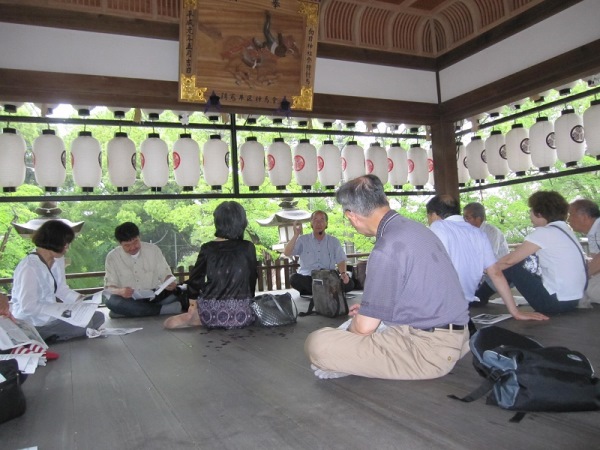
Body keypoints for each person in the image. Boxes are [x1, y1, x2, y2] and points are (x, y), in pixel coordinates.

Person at [305, 175, 470, 380]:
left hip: (428, 350)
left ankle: (348, 360)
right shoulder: (414, 228)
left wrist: (351, 331)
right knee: (362, 321)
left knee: (318, 343)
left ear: (351, 216)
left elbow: (364, 329)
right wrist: (370, 311)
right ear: (385, 201)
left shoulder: (387, 247)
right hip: (456, 336)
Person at [426, 195, 547, 323]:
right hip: (462, 306)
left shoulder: (438, 226)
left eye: (428, 217)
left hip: (439, 307)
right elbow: (495, 273)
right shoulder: (478, 233)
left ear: (434, 215)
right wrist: (515, 311)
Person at [476, 191, 587, 314]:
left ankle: (479, 296)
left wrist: (486, 269)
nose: (529, 215)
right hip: (574, 300)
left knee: (513, 266)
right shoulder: (565, 230)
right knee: (517, 263)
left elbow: (509, 261)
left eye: (531, 210)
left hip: (555, 304)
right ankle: (480, 295)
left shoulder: (544, 232)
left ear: (539, 213)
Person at [164, 201, 258, 329]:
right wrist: (247, 301)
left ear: (217, 223)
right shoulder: (248, 247)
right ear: (242, 222)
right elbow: (252, 278)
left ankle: (194, 317)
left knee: (169, 323)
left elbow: (195, 280)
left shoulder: (208, 248)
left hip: (210, 313)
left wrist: (192, 304)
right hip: (241, 315)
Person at [10, 220, 105, 342]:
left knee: (98, 316)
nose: (67, 247)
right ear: (52, 241)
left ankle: (53, 334)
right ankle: (41, 337)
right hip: (34, 321)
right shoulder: (29, 267)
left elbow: (61, 290)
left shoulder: (58, 259)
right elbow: (27, 306)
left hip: (54, 316)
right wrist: (57, 309)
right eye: (65, 244)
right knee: (83, 325)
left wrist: (82, 300)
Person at [104, 222, 185, 318]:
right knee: (111, 301)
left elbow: (166, 274)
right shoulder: (113, 257)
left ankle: (126, 312)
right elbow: (109, 288)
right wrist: (121, 291)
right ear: (119, 243)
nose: (133, 247)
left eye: (135, 242)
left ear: (139, 237)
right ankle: (162, 310)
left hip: (154, 296)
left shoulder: (153, 250)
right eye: (127, 245)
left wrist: (169, 282)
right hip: (129, 299)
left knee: (180, 292)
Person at [283, 210, 354, 296]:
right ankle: (328, 291)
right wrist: (295, 235)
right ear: (311, 223)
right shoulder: (303, 239)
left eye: (322, 220)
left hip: (328, 277)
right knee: (294, 279)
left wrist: (343, 274)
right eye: (315, 220)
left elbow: (341, 259)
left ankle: (317, 291)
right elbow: (287, 253)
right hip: (309, 278)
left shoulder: (334, 241)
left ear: (326, 223)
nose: (318, 223)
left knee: (349, 283)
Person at [568, 198, 600, 307]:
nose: (568, 220)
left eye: (571, 215)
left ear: (585, 217)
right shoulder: (593, 232)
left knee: (587, 289)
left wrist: (583, 276)